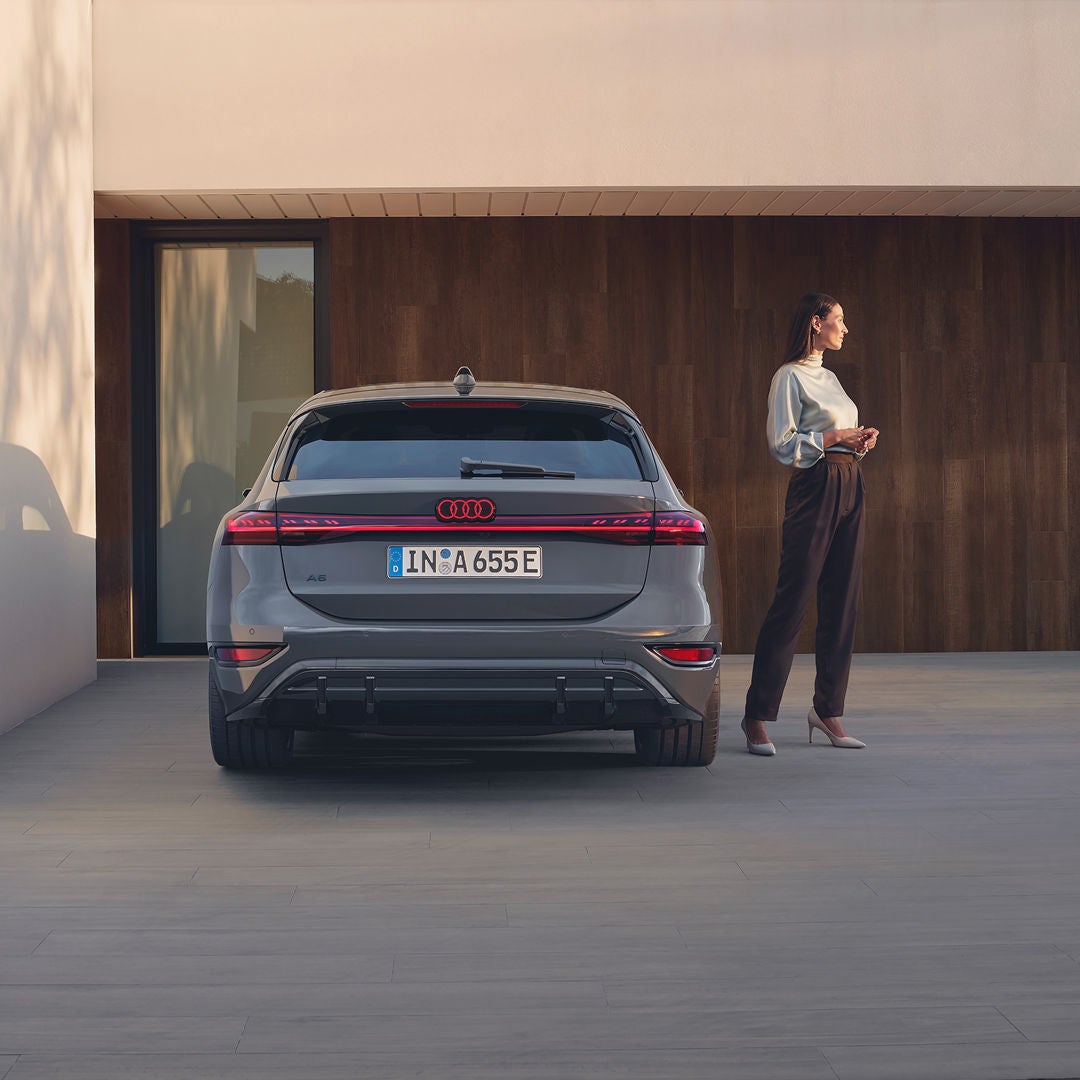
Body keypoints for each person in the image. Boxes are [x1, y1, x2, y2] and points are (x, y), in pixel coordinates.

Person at [740, 293, 878, 756]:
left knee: (843, 600)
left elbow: (837, 437)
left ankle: (828, 711)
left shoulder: (833, 379)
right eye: (839, 320)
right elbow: (782, 443)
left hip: (850, 480)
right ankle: (757, 716)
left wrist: (858, 443)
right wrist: (835, 436)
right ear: (816, 323)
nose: (845, 329)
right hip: (815, 486)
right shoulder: (788, 377)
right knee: (793, 599)